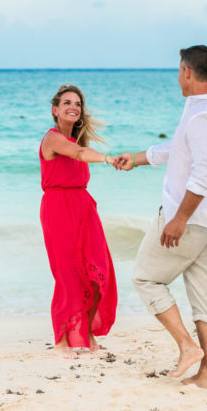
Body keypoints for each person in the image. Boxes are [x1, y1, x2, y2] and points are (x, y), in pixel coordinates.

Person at [114, 45, 207, 389]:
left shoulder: (200, 117)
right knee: (202, 293)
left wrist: (179, 218)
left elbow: (204, 174)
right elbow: (180, 151)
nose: (177, 76)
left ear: (187, 72)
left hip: (193, 219)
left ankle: (186, 346)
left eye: (178, 70)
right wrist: (138, 158)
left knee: (145, 278)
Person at [39, 84, 118, 359]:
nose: (74, 106)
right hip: (58, 210)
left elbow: (81, 152)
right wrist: (109, 158)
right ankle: (61, 340)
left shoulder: (78, 142)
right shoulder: (52, 140)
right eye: (67, 102)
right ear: (55, 110)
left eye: (78, 103)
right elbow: (80, 155)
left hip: (83, 209)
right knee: (66, 273)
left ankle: (85, 333)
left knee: (96, 269)